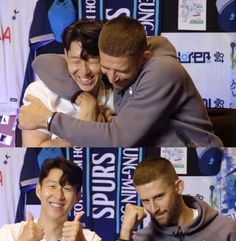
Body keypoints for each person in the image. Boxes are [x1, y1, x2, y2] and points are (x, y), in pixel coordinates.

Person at [19, 16, 223, 147]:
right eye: (106, 68)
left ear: (143, 57)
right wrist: (83, 98)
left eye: (121, 71)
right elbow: (44, 61)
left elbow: (117, 139)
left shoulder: (163, 72)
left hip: (194, 155)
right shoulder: (119, 56)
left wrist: (48, 120)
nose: (113, 78)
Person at [112, 156, 236, 241]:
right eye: (146, 201)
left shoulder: (225, 229)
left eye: (159, 197)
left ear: (178, 187)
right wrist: (125, 234)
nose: (153, 208)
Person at [0, 157, 110, 241]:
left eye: (67, 188)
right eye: (52, 186)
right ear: (38, 190)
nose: (59, 195)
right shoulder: (10, 233)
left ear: (78, 197)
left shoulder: (90, 240)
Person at [22, 19, 114, 147]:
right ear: (66, 55)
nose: (84, 71)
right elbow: (34, 149)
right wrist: (96, 129)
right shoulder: (40, 93)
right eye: (76, 61)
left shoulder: (116, 98)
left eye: (92, 60)